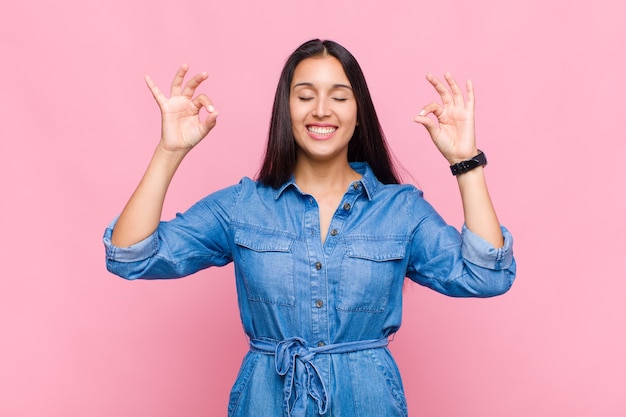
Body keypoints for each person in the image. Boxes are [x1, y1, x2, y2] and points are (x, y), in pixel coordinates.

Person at [103, 39, 516, 417]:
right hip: (265, 403)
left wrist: (466, 163)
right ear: (287, 110)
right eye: (305, 96)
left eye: (339, 96)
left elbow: (486, 276)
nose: (321, 110)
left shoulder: (400, 210)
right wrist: (169, 150)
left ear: (359, 113)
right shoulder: (242, 206)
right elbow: (130, 256)